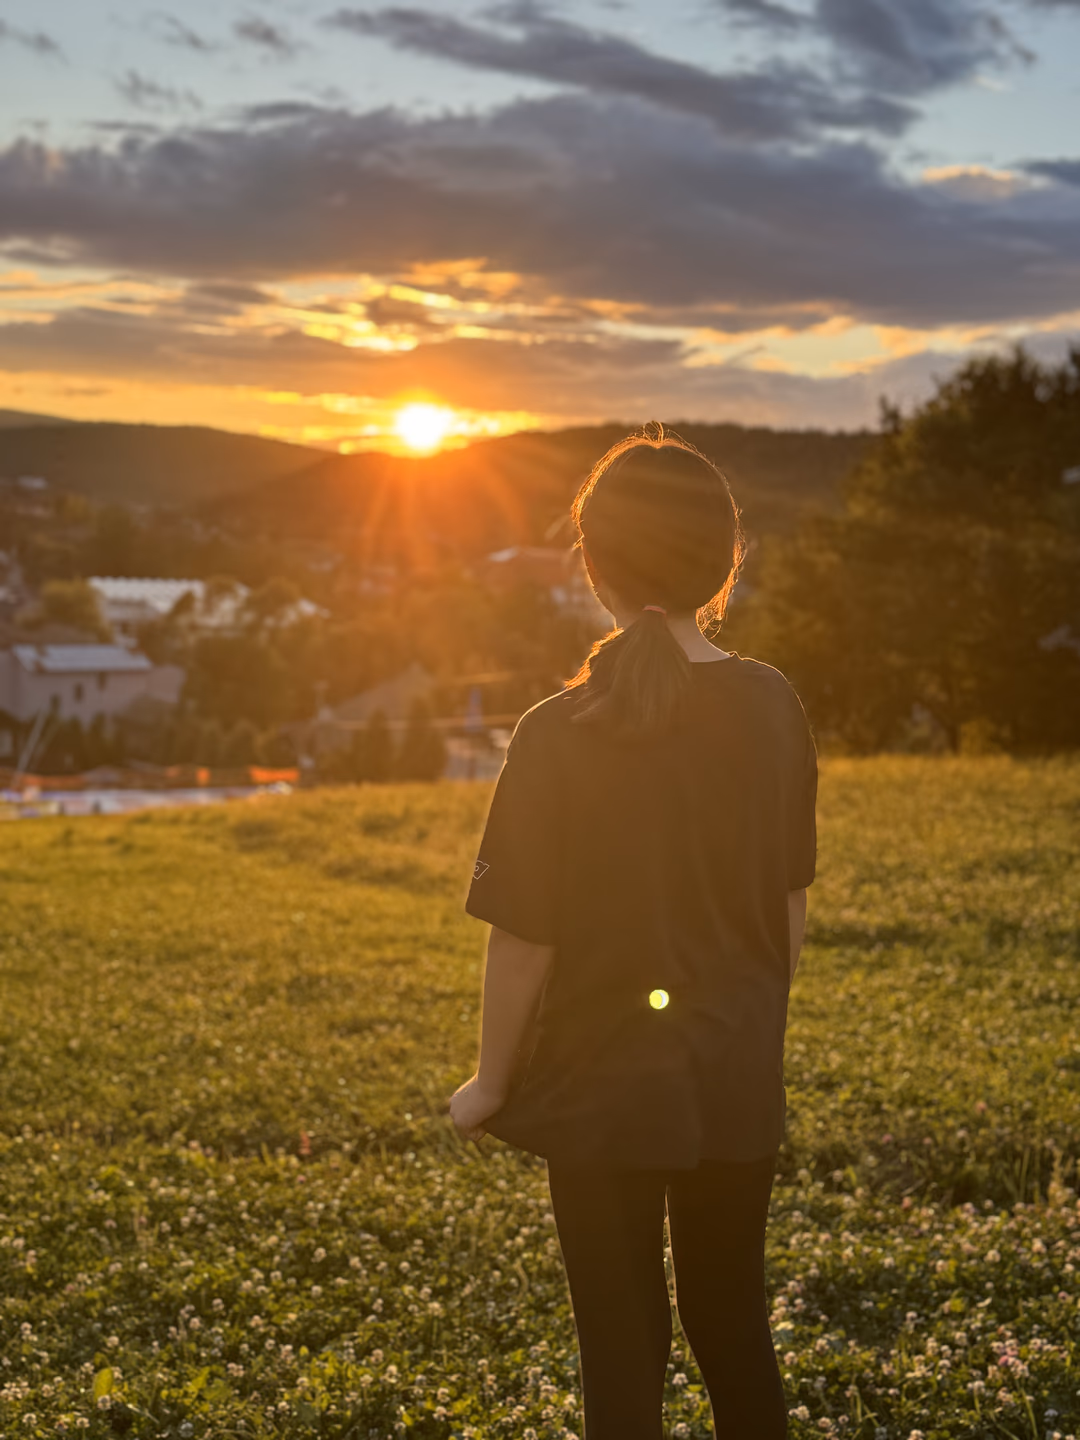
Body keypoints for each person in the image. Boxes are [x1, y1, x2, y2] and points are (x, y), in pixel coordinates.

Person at [449, 426, 817, 1440]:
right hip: (736, 1072)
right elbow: (787, 907)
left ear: (591, 565)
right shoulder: (773, 705)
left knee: (621, 1347)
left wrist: (490, 1083)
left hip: (601, 1085)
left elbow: (524, 938)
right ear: (726, 562)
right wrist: (751, 1031)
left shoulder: (554, 732)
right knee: (734, 1325)